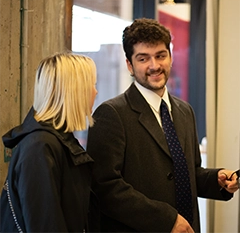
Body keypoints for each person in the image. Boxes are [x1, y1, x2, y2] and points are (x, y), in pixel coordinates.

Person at [86, 18, 239, 233]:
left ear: (171, 57)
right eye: (143, 58)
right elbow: (105, 187)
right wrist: (166, 220)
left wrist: (217, 179)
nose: (154, 66)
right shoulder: (111, 114)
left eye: (160, 55)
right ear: (129, 65)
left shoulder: (185, 111)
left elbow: (188, 172)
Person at [0, 52, 98, 233]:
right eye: (91, 85)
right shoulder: (40, 147)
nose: (95, 91)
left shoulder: (53, 141)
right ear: (74, 91)